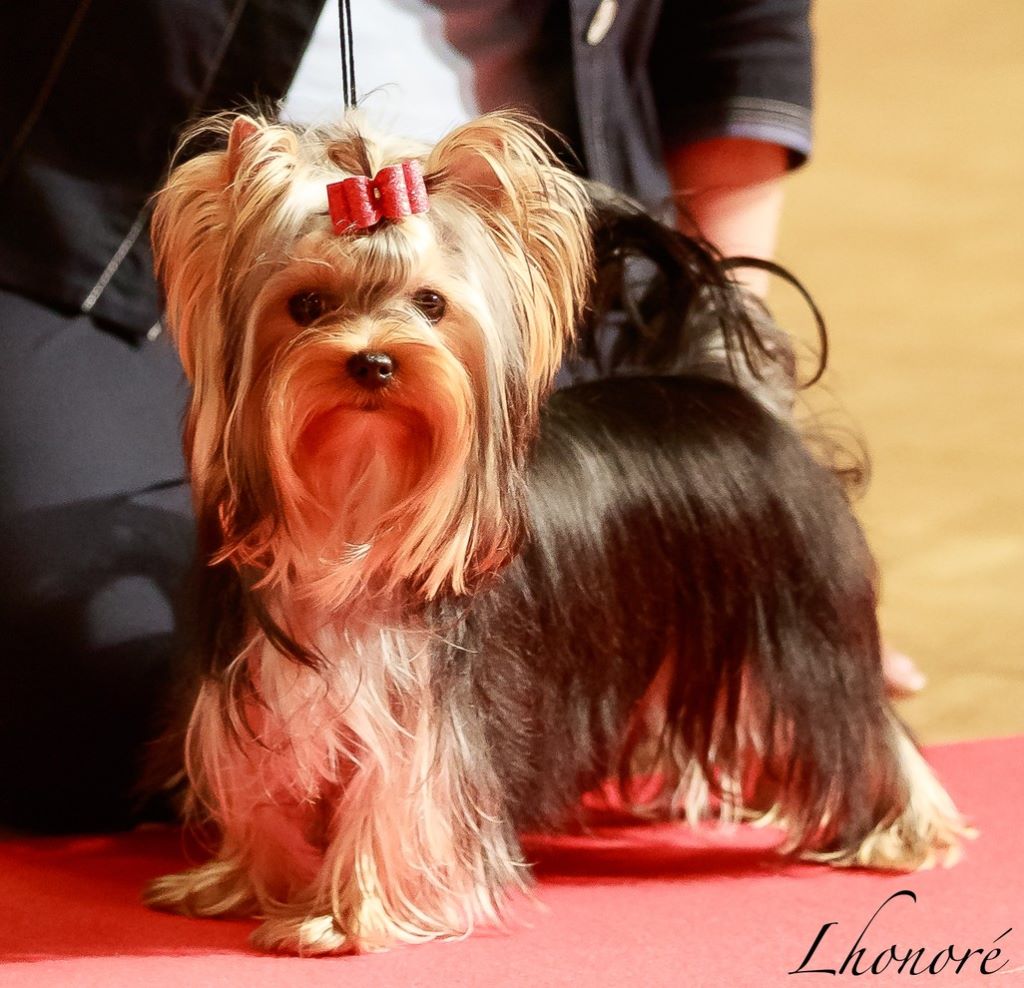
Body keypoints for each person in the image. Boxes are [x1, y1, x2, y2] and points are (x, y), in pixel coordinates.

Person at [0, 0, 915, 833]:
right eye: (317, 309)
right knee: (82, 681)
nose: (371, 345)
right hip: (89, 209)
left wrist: (738, 448)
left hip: (544, 226)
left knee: (529, 552)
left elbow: (737, 37)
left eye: (419, 315)